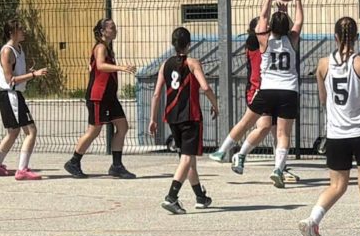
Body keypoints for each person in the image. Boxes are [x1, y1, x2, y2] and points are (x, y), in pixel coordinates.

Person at [299, 16, 360, 236]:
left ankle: (313, 220)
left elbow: (323, 99)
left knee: (337, 185)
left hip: (336, 134)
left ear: (335, 36)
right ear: (357, 37)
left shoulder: (322, 65)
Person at [232, 0, 305, 187]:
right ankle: (278, 169)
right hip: (288, 90)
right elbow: (299, 21)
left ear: (271, 27)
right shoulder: (293, 39)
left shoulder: (264, 40)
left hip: (267, 89)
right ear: (288, 27)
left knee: (256, 125)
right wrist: (297, 1)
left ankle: (240, 154)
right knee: (283, 134)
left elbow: (263, 18)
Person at [149, 26, 217, 214]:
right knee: (187, 158)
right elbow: (205, 87)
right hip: (190, 116)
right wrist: (215, 104)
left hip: (172, 116)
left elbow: (156, 94)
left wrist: (153, 118)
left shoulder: (165, 64)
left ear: (173, 44)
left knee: (188, 159)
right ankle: (171, 197)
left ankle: (200, 197)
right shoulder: (192, 63)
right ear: (189, 44)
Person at [65, 18, 136, 179]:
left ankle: (117, 166)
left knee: (122, 127)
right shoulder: (100, 47)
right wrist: (121, 67)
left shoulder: (108, 48)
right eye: (112, 28)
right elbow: (100, 65)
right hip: (99, 96)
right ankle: (74, 161)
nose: (115, 30)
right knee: (94, 130)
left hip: (110, 97)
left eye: (115, 27)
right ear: (103, 31)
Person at [0, 20, 48, 179]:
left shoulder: (19, 49)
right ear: (12, 32)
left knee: (13, 132)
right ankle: (22, 169)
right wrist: (33, 75)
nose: (23, 31)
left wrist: (28, 72)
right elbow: (10, 79)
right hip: (10, 94)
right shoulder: (7, 51)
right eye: (20, 29)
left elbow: (17, 73)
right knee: (31, 131)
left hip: (15, 94)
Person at [209, 18, 268, 163]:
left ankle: (279, 164)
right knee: (254, 124)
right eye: (263, 25)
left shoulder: (270, 42)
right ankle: (225, 151)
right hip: (256, 90)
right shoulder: (253, 41)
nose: (266, 27)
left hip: (270, 89)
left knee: (271, 128)